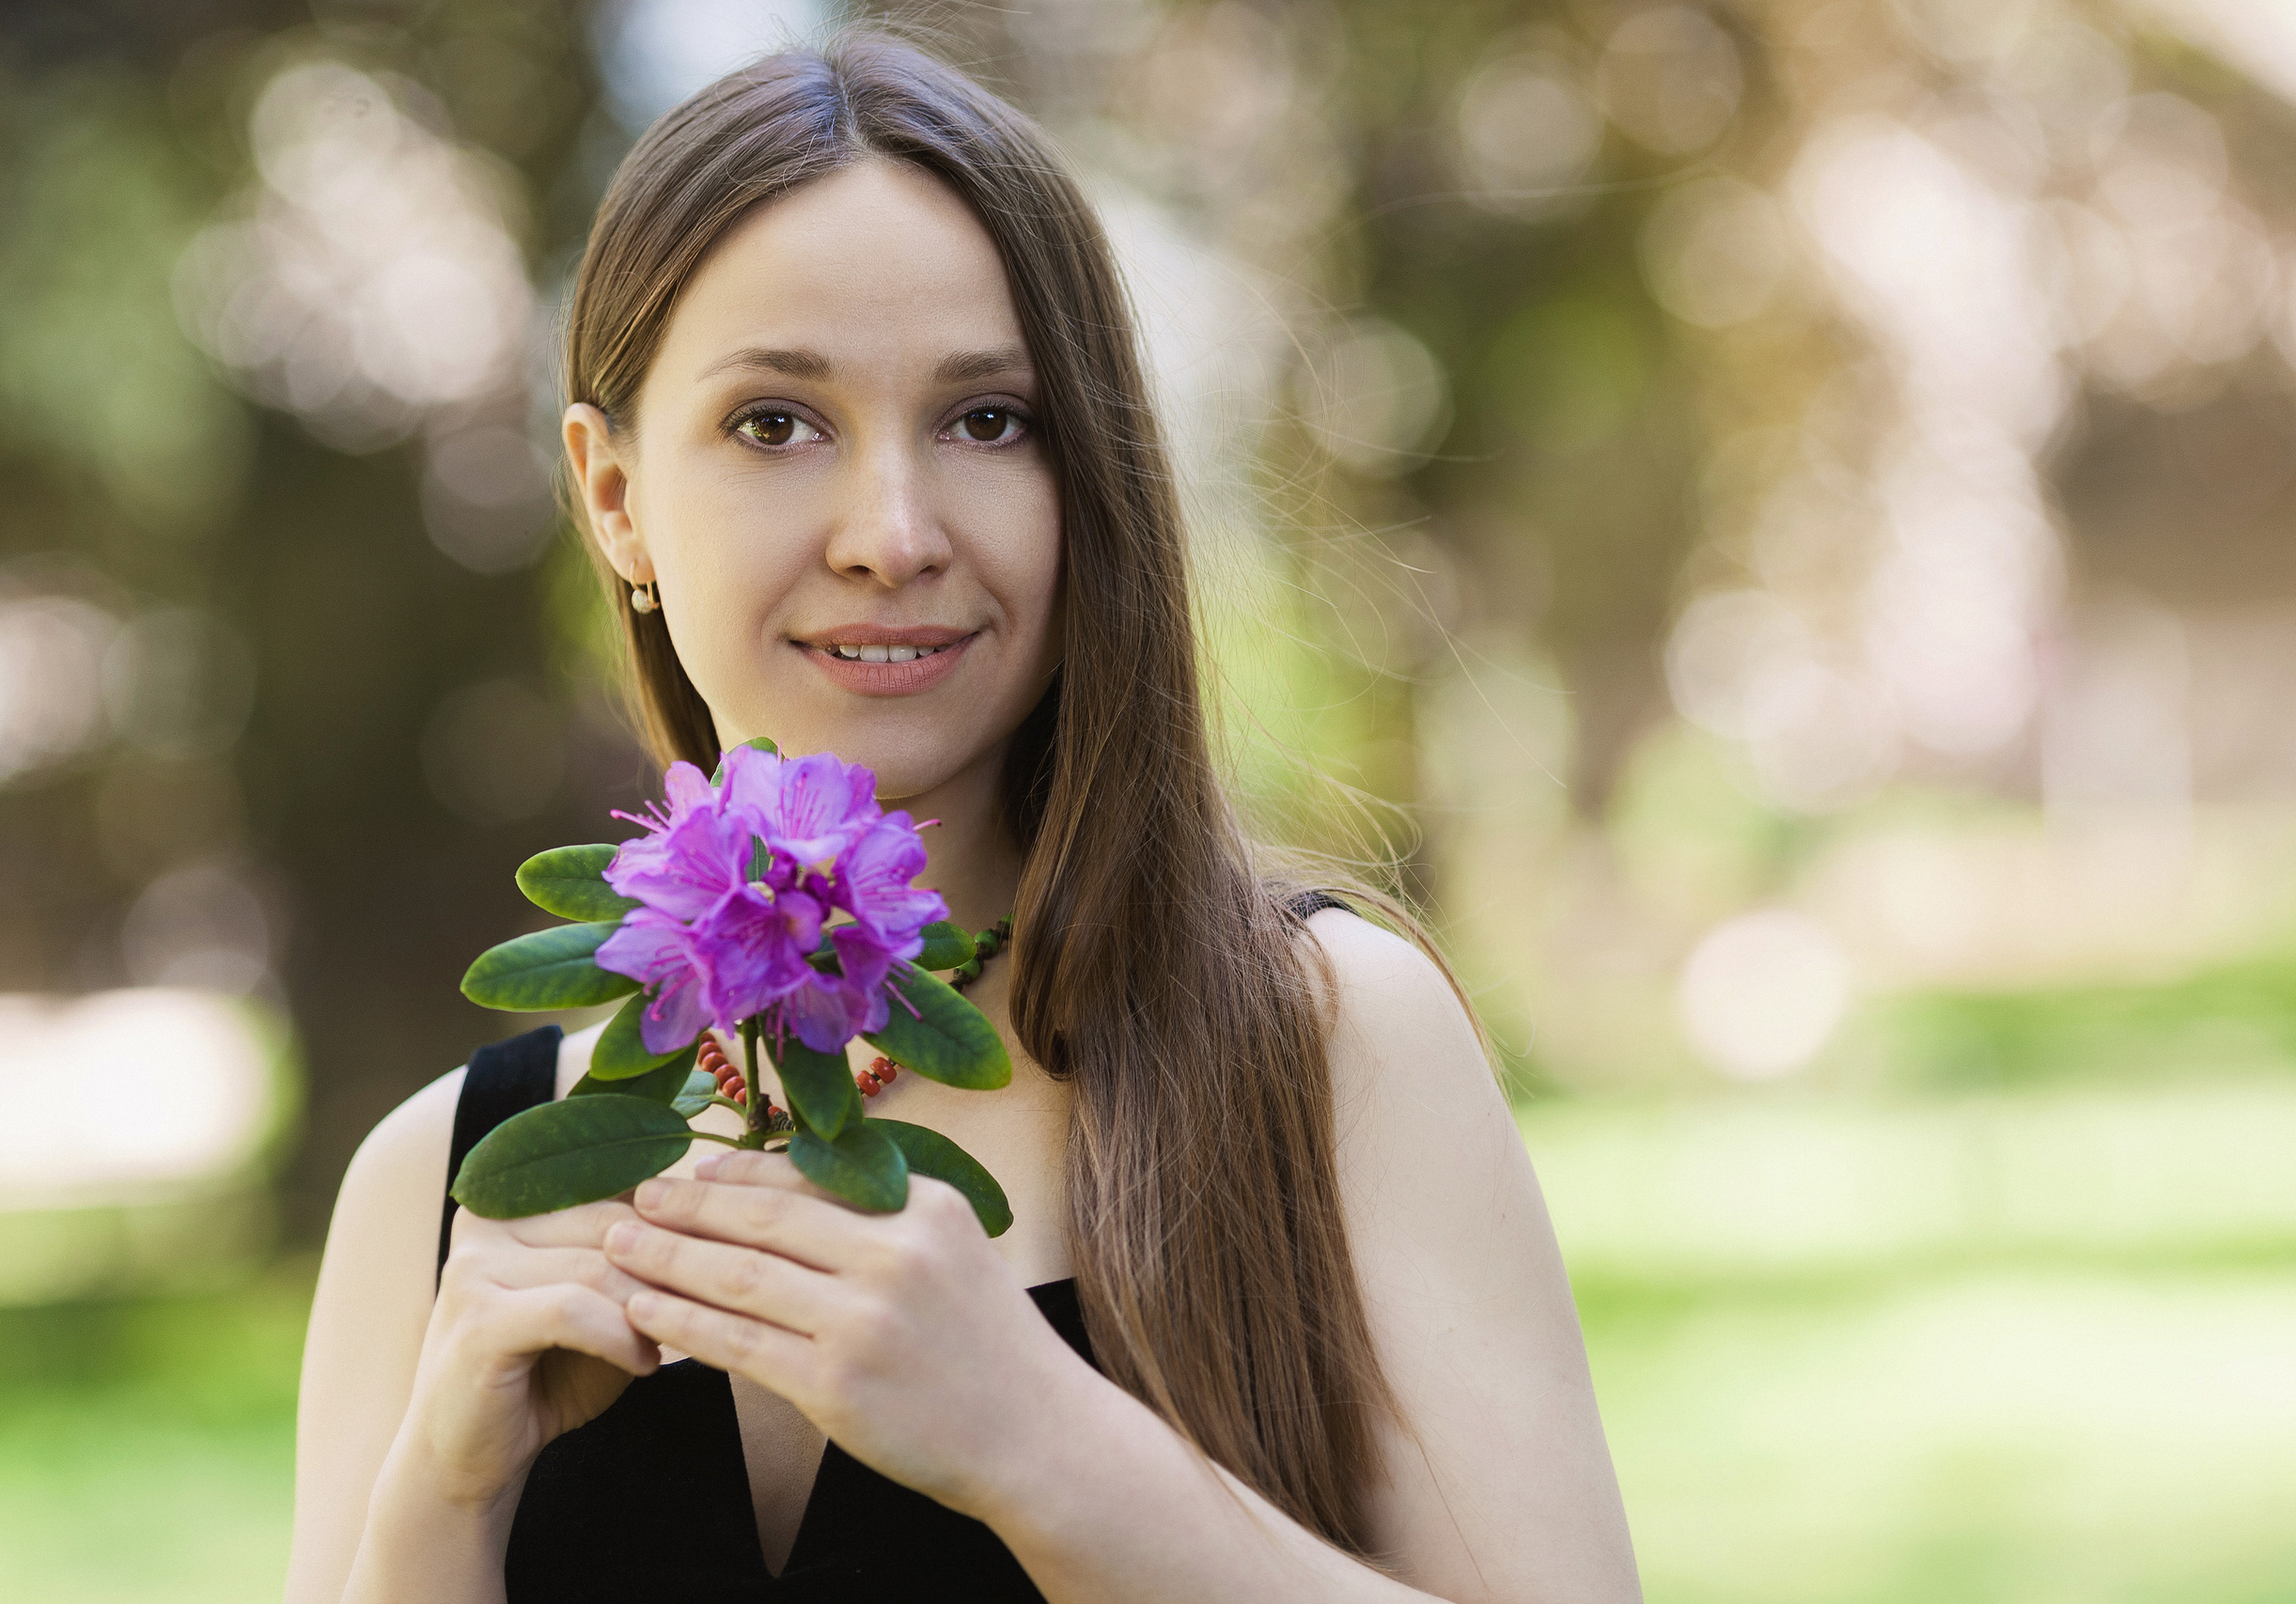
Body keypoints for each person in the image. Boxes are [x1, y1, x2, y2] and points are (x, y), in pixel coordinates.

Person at [286, 31, 1639, 1604]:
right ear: (614, 496)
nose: (893, 533)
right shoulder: (446, 1179)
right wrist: (440, 1505)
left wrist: (1043, 1446)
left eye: (988, 420)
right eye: (775, 423)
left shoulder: (1324, 1045)